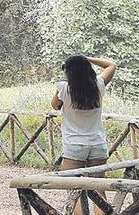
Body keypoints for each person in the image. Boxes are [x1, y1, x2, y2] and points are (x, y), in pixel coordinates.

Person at [51, 55, 117, 215]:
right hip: (97, 144)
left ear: (69, 73)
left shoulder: (64, 88)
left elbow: (54, 105)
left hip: (74, 145)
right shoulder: (99, 85)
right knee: (99, 191)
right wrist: (86, 58)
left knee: (75, 191)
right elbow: (111, 65)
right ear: (88, 69)